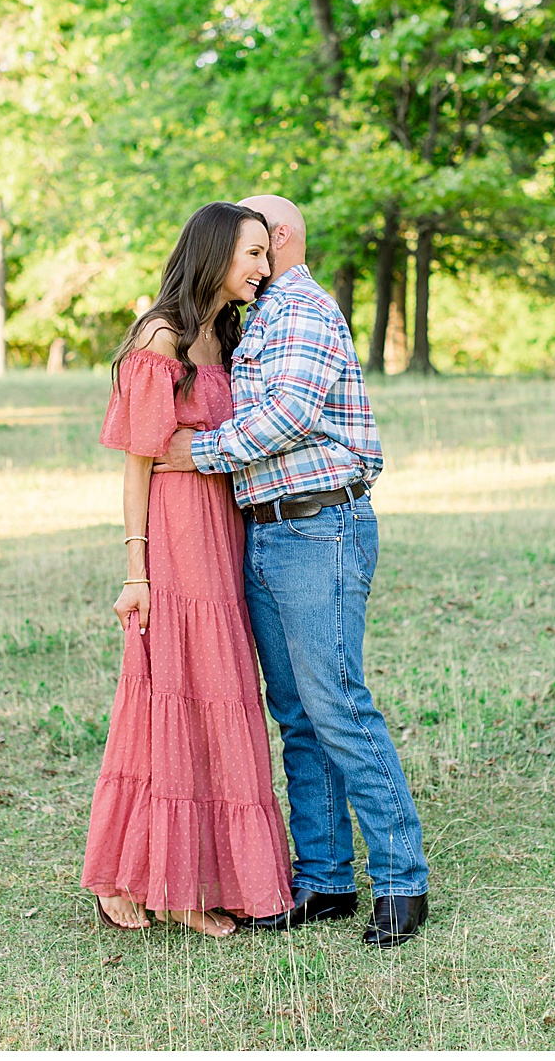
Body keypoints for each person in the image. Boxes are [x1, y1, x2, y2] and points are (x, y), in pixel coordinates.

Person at [156, 194, 430, 947]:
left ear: (278, 238)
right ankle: (326, 879)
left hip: (319, 528)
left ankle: (402, 880)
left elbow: (291, 415)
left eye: (251, 243)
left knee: (337, 705)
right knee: (299, 717)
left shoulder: (303, 309)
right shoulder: (258, 318)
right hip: (268, 532)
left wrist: (195, 453)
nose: (242, 256)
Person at [82, 202, 294, 936]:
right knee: (168, 696)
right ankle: (144, 879)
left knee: (218, 697)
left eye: (267, 254)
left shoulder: (227, 335)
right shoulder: (161, 337)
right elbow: (137, 467)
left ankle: (199, 874)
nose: (263, 268)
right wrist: (135, 570)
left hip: (224, 534)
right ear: (214, 252)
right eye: (252, 254)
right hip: (173, 540)